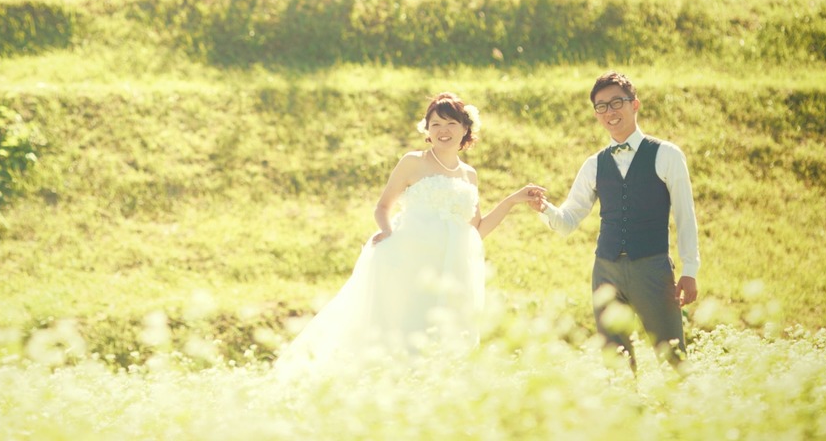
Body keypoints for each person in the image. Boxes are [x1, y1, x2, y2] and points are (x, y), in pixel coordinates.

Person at [276, 92, 542, 374]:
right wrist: (388, 232)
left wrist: (513, 199)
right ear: (427, 130)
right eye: (436, 124)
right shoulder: (413, 162)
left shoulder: (469, 174)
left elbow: (476, 229)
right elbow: (383, 206)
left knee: (438, 337)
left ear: (465, 129)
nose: (443, 131)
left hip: (449, 270)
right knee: (399, 332)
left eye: (451, 123)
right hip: (407, 260)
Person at [529, 71, 699, 370]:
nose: (610, 111)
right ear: (596, 114)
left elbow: (686, 215)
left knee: (673, 358)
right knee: (616, 361)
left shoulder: (667, 155)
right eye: (601, 106)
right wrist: (544, 208)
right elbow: (568, 220)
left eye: (616, 102)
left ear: (635, 105)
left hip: (652, 268)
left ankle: (680, 414)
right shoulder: (594, 163)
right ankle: (625, 414)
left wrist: (690, 269)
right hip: (605, 271)